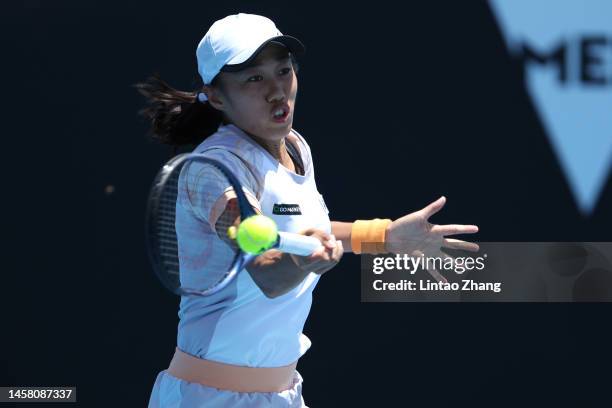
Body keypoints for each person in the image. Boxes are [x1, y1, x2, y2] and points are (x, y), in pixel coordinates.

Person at [136, 13, 479, 408]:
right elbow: (266, 270)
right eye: (254, 79)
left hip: (283, 394)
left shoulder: (296, 147)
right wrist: (304, 262)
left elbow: (307, 228)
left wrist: (384, 236)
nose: (277, 91)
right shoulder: (213, 171)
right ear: (216, 97)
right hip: (206, 399)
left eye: (283, 71)